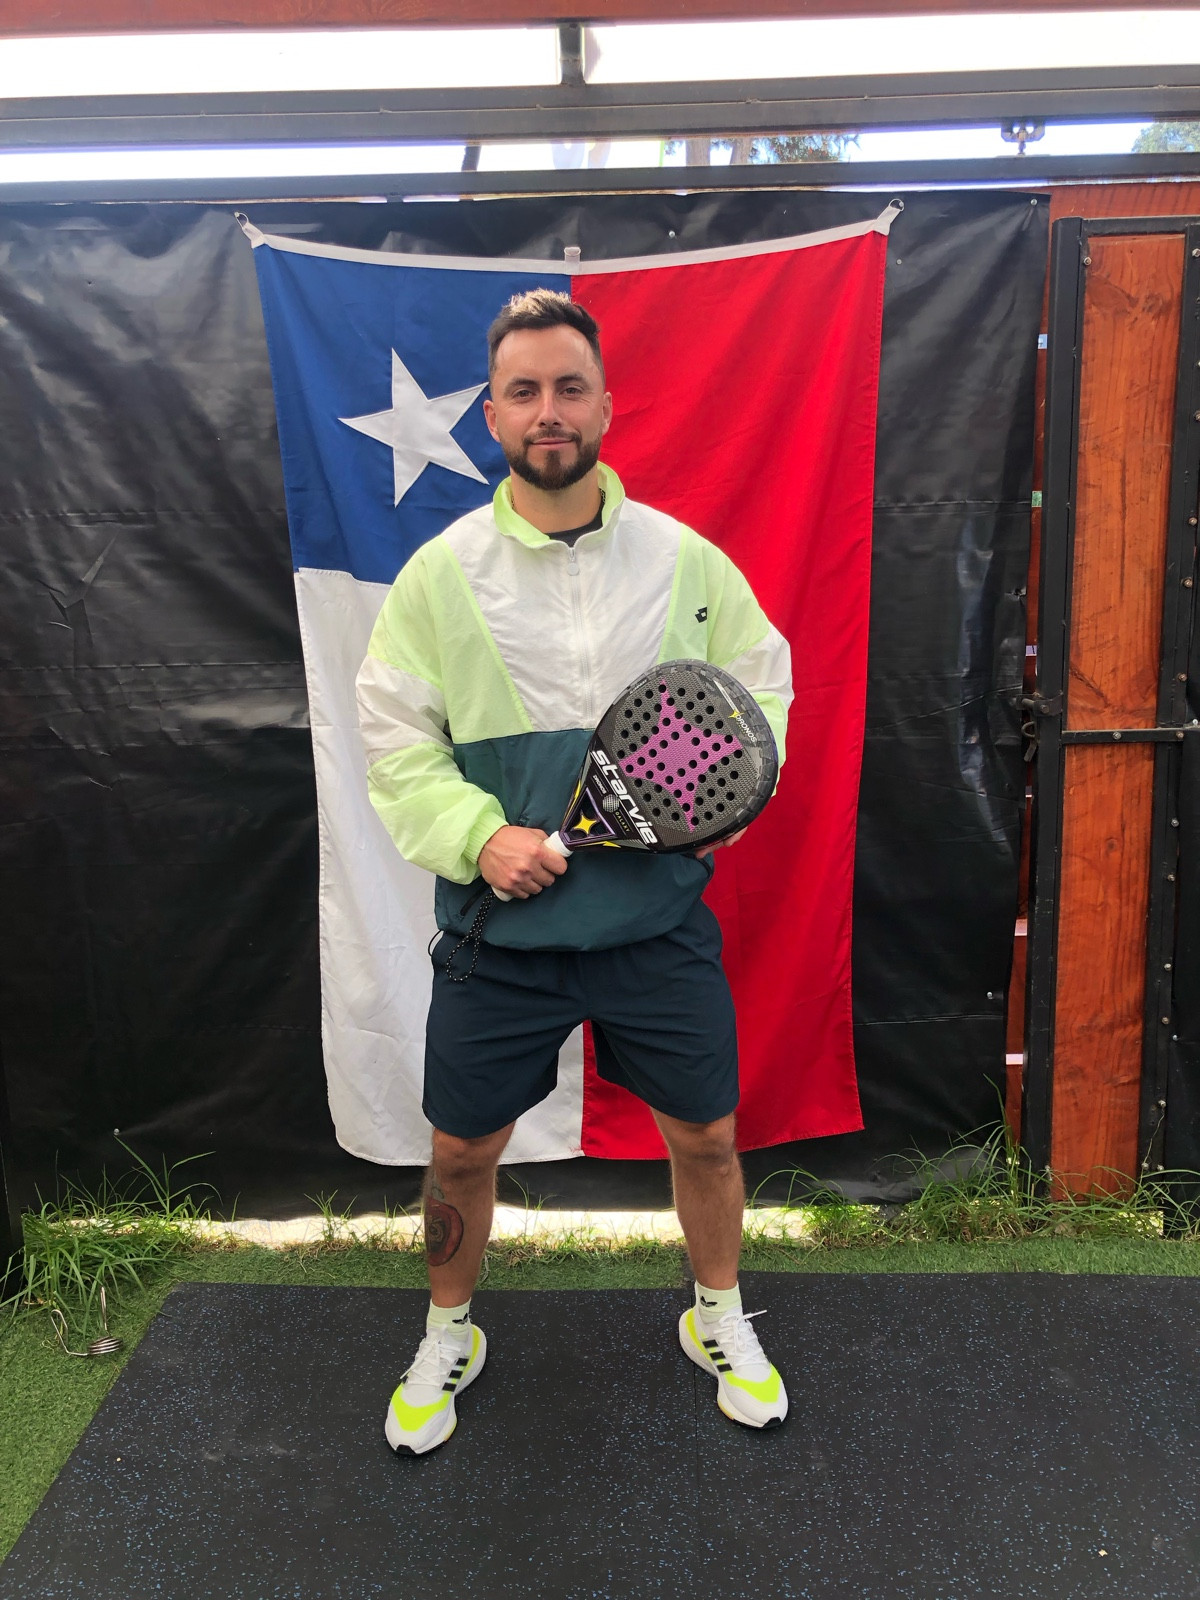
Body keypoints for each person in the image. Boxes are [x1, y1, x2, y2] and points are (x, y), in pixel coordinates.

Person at [355, 289, 793, 1456]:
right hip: (502, 940)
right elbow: (394, 738)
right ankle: (448, 1330)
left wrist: (714, 814)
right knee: (460, 1152)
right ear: (494, 415)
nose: (548, 409)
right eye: (523, 391)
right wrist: (477, 836)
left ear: (604, 404)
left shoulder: (687, 561)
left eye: (569, 387)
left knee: (707, 1139)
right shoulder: (440, 576)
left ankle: (715, 1314)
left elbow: (760, 695)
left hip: (655, 928)